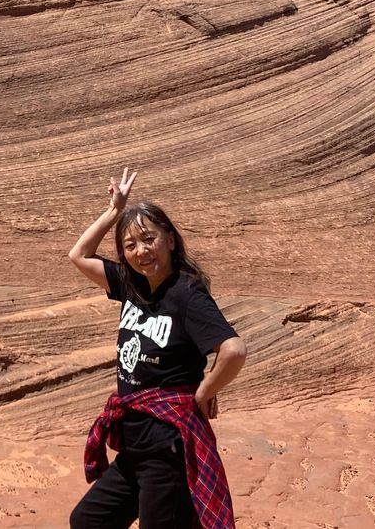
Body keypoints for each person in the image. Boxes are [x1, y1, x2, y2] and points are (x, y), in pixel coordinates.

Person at [68, 168, 247, 529]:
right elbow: (79, 255)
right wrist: (115, 211)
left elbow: (233, 350)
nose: (141, 251)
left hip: (167, 447)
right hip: (135, 444)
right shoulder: (130, 284)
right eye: (130, 245)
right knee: (87, 521)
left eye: (148, 239)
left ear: (170, 240)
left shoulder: (187, 294)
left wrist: (203, 393)